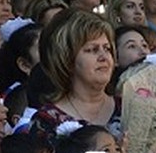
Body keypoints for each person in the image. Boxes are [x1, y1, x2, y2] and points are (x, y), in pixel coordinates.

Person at [30, 10, 122, 141]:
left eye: (107, 48)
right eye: (92, 49)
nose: (104, 57)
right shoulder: (47, 121)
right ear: (67, 59)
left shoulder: (129, 109)